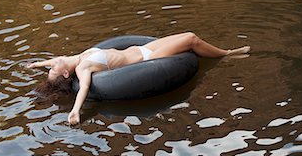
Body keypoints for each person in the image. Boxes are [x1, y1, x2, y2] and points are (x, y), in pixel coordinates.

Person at [28, 32, 250, 125]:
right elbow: (84, 87)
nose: (54, 61)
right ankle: (227, 54)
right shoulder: (82, 68)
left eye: (52, 64)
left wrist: (35, 65)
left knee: (188, 37)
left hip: (142, 48)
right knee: (191, 38)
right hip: (149, 58)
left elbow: (51, 62)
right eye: (54, 67)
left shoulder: (76, 57)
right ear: (66, 74)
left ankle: (224, 53)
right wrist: (76, 110)